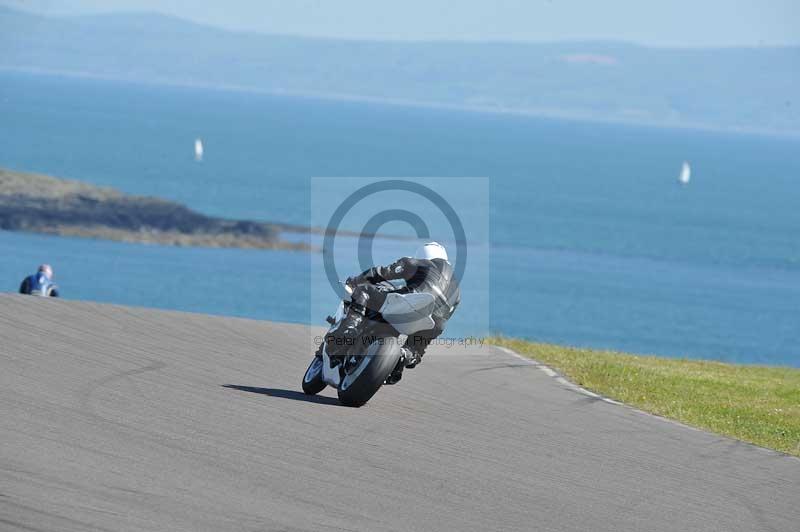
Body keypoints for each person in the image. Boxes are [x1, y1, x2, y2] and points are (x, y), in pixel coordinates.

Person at [327, 241, 460, 384]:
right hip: (434, 322)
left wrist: (356, 281)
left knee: (363, 291)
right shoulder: (457, 292)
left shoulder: (417, 263)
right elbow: (447, 315)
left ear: (423, 255)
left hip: (411, 302)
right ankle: (403, 357)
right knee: (415, 350)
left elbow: (381, 273)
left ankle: (349, 331)